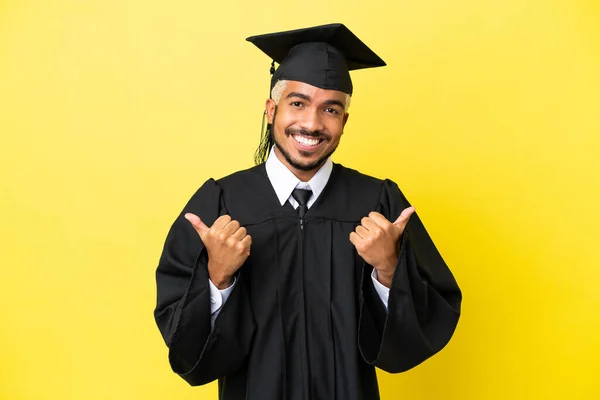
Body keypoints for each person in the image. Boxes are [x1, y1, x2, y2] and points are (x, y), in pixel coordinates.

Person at [154, 23, 462, 400]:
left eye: (330, 109)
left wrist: (388, 269)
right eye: (297, 103)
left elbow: (423, 328)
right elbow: (185, 347)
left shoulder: (379, 203)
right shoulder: (220, 204)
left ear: (344, 122)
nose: (312, 124)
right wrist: (218, 277)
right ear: (271, 110)